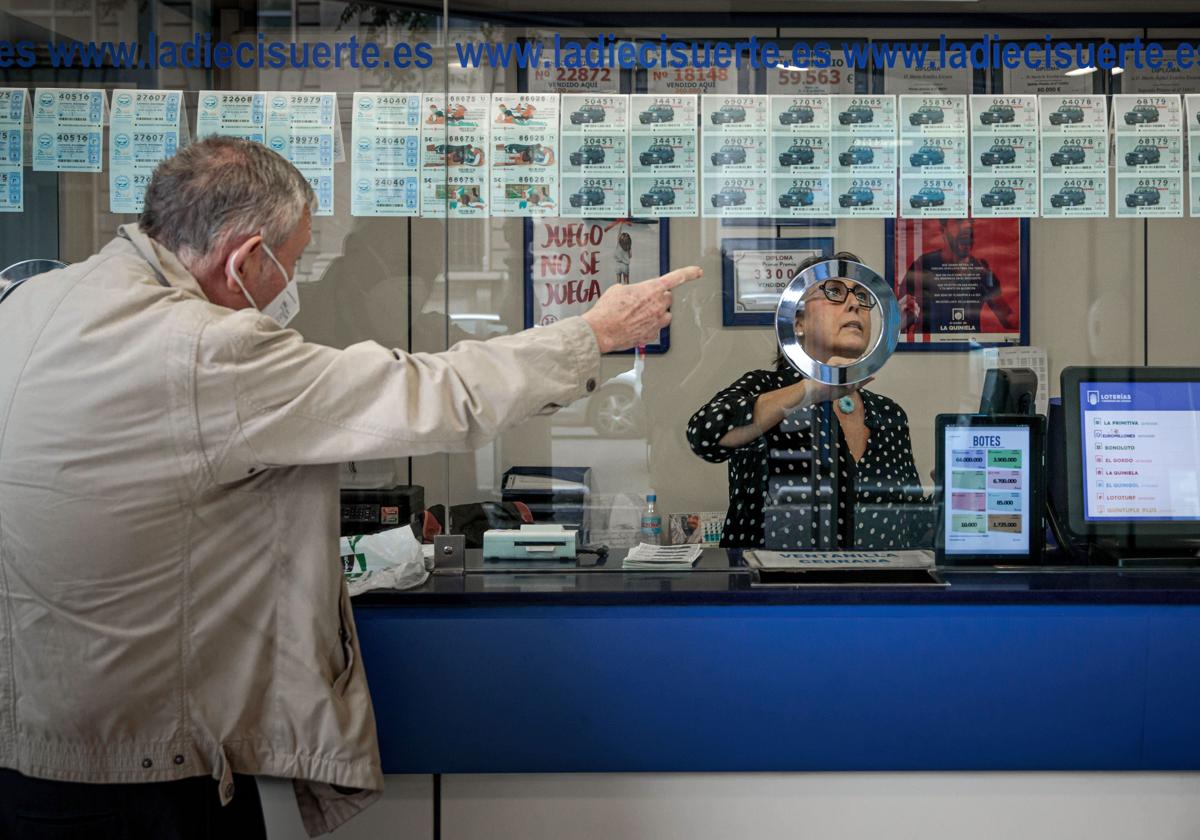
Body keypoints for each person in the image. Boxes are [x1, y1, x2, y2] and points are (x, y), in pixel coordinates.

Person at [0, 136, 701, 838]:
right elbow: (430, 394)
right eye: (295, 260)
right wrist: (593, 333)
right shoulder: (202, 348)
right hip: (145, 770)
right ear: (245, 257)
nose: (293, 280)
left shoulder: (30, 304)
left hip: (31, 743)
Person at [687, 252, 927, 550]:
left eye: (862, 296)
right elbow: (704, 436)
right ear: (797, 322)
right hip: (775, 591)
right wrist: (810, 390)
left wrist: (954, 496)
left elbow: (914, 526)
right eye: (834, 291)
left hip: (872, 592)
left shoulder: (888, 414)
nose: (855, 304)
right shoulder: (766, 387)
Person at [900, 218, 1017, 339]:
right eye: (959, 221)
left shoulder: (980, 269)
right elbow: (900, 316)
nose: (967, 226)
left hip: (969, 350)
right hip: (931, 351)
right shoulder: (923, 265)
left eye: (971, 221)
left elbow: (1008, 319)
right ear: (943, 230)